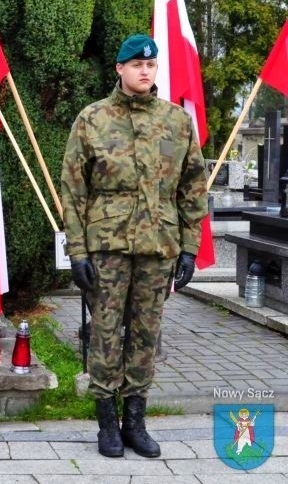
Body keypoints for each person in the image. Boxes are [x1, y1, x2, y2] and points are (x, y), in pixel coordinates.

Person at [60, 34, 207, 459]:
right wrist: (77, 251)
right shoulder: (92, 119)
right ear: (120, 70)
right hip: (106, 245)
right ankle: (106, 421)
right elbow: (73, 189)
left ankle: (135, 423)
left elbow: (192, 187)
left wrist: (190, 247)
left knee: (146, 334)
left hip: (158, 244)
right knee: (105, 334)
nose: (146, 71)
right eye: (137, 65)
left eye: (152, 65)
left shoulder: (177, 121)